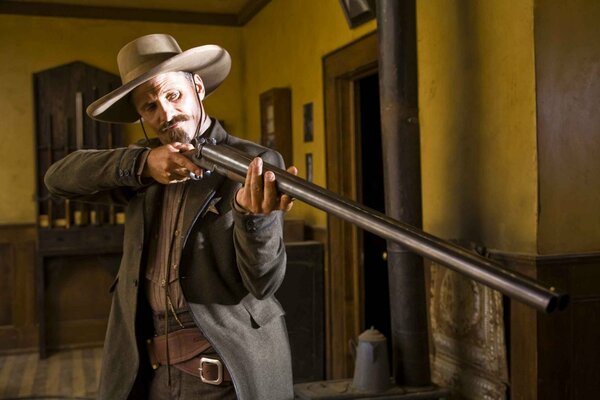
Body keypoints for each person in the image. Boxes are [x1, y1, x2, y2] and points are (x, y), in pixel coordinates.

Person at [44, 33, 297, 400]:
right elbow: (58, 178)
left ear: (198, 87)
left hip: (226, 374)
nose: (165, 114)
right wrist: (143, 163)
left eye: (173, 95)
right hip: (151, 375)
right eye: (149, 107)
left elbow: (263, 284)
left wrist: (252, 219)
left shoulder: (255, 163)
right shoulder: (141, 168)